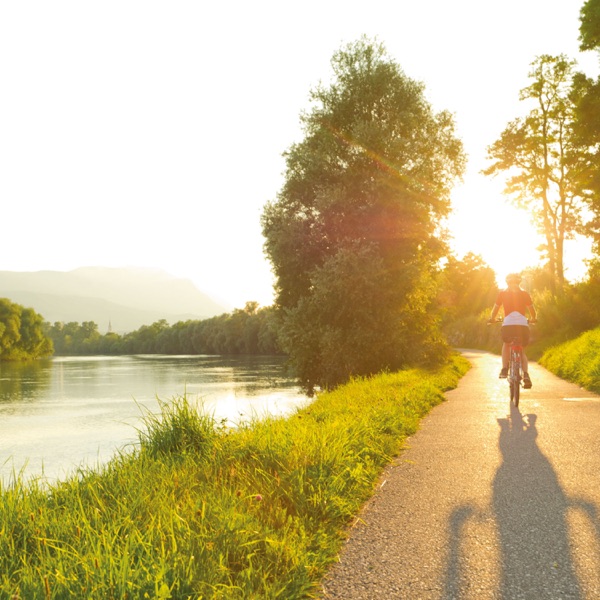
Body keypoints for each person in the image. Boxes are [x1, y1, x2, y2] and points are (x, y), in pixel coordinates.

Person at [488, 273, 537, 388]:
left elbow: (495, 310)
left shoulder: (502, 294)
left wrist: (492, 319)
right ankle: (526, 375)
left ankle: (505, 369)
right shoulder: (525, 294)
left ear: (507, 283)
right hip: (522, 326)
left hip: (508, 325)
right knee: (522, 351)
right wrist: (533, 319)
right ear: (519, 282)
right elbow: (532, 311)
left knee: (506, 344)